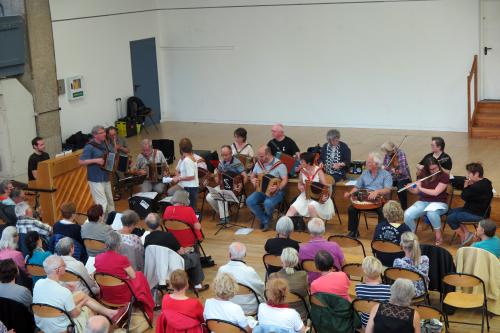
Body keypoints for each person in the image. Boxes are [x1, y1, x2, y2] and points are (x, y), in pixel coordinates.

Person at [33, 255, 126, 333]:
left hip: (44, 324)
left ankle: (111, 313)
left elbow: (51, 297)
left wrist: (67, 290)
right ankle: (108, 316)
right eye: (63, 265)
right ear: (57, 270)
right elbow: (75, 314)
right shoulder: (63, 292)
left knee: (81, 294)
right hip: (61, 329)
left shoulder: (38, 283)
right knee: (87, 307)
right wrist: (82, 303)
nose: (66, 266)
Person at [94, 231, 155, 322]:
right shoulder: (122, 259)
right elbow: (133, 276)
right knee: (139, 275)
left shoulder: (98, 258)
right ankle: (146, 303)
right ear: (119, 245)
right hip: (123, 296)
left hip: (106, 295)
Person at [144, 213, 208, 291]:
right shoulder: (168, 236)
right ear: (160, 222)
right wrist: (189, 249)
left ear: (147, 225)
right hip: (173, 268)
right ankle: (198, 285)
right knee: (194, 256)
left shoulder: (147, 239)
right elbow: (181, 252)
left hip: (156, 269)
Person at [343, 152, 392, 238]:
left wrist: (377, 192)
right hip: (365, 198)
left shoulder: (386, 174)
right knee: (351, 209)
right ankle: (353, 232)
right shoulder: (365, 173)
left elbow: (387, 190)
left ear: (376, 164)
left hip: (379, 200)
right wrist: (349, 193)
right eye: (367, 161)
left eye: (369, 162)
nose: (366, 164)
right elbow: (357, 187)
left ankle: (380, 234)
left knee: (383, 211)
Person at [404, 156, 449, 245]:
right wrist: (410, 188)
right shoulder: (423, 174)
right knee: (407, 215)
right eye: (431, 169)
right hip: (424, 202)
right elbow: (416, 191)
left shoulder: (444, 176)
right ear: (427, 169)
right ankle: (411, 237)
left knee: (431, 213)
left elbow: (436, 192)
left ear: (438, 165)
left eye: (436, 168)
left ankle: (438, 235)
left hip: (440, 203)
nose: (434, 170)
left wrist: (420, 188)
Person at [446, 163, 493, 245]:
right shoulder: (486, 181)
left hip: (476, 214)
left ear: (477, 174)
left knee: (450, 218)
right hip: (475, 210)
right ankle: (467, 233)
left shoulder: (476, 187)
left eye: (469, 173)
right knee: (449, 212)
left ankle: (463, 236)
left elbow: (464, 196)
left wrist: (466, 186)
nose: (468, 175)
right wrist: (470, 186)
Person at [246, 145, 288, 231]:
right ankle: (265, 220)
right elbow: (252, 175)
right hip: (261, 191)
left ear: (268, 154)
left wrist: (278, 188)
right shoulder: (258, 164)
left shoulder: (279, 164)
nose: (259, 158)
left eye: (261, 156)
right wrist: (253, 180)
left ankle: (265, 220)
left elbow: (285, 180)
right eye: (258, 156)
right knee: (249, 201)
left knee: (268, 203)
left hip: (276, 192)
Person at [217, 242, 265, 315]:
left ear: (229, 254)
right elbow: (261, 289)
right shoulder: (249, 271)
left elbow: (218, 290)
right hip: (249, 308)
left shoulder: (222, 270)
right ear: (245, 254)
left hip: (228, 307)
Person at [79, 125, 115, 217]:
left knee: (110, 200)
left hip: (105, 176)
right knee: (102, 203)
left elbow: (112, 153)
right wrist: (96, 160)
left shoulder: (105, 143)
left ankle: (112, 221)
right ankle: (100, 224)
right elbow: (81, 161)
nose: (104, 134)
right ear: (95, 135)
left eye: (104, 132)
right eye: (101, 133)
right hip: (95, 178)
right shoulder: (89, 146)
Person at [206, 145, 248, 224]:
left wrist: (241, 185)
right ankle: (223, 214)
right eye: (223, 155)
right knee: (209, 197)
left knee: (222, 195)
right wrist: (216, 177)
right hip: (223, 185)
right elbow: (217, 175)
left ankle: (225, 217)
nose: (224, 157)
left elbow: (245, 176)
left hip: (234, 187)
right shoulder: (221, 163)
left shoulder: (237, 163)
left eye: (226, 155)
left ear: (231, 153)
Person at [286, 152, 334, 220]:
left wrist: (324, 197)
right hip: (305, 195)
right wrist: (300, 187)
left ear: (308, 163)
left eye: (302, 161)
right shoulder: (302, 171)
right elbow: (300, 183)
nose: (300, 163)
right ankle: (284, 226)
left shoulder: (318, 171)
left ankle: (316, 227)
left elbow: (325, 187)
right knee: (292, 207)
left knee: (311, 206)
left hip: (318, 197)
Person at [299, 218, 344, 283]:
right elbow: (344, 265)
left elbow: (301, 266)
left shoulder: (302, 248)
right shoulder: (335, 246)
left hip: (312, 281)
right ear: (324, 231)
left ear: (309, 232)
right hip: (333, 281)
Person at [269, 247, 308, 320]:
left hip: (279, 312)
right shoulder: (303, 275)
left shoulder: (273, 276)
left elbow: (271, 297)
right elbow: (305, 293)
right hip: (300, 313)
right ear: (296, 261)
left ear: (282, 260)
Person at [355, 256, 391, 327]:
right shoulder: (387, 289)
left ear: (364, 271)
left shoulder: (359, 288)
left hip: (365, 322)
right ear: (380, 271)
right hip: (381, 323)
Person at [372, 200, 409, 266]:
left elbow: (374, 245)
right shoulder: (405, 229)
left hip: (381, 261)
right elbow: (410, 249)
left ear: (385, 213)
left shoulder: (379, 226)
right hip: (398, 264)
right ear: (400, 211)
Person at [393, 232, 429, 298]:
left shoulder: (398, 262)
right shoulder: (425, 259)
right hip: (422, 291)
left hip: (405, 294)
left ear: (402, 245)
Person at [171, 138, 200, 211]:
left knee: (190, 209)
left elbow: (191, 176)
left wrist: (179, 178)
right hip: (192, 187)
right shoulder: (191, 158)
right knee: (191, 209)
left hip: (190, 188)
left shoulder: (187, 160)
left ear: (181, 148)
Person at [381, 141, 412, 209]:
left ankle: (404, 210)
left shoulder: (401, 154)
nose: (387, 154)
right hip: (393, 178)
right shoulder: (387, 155)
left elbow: (403, 171)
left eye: (387, 152)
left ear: (392, 150)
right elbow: (385, 166)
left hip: (403, 178)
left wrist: (394, 170)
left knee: (401, 190)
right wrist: (383, 168)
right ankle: (386, 207)